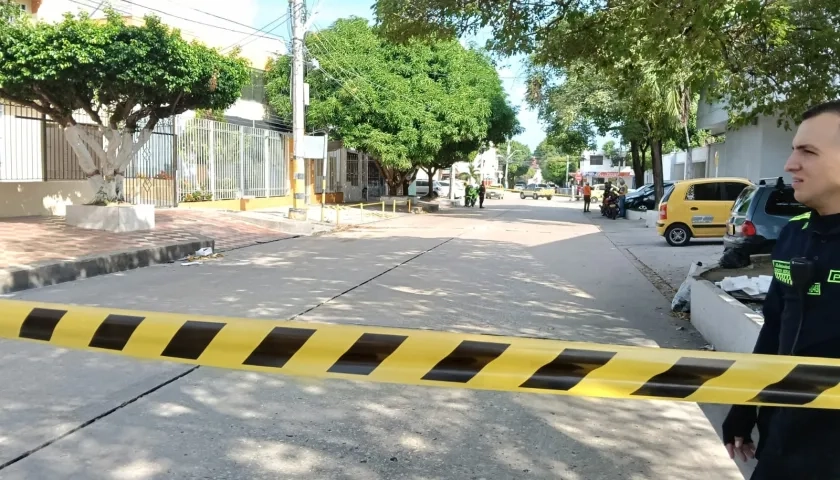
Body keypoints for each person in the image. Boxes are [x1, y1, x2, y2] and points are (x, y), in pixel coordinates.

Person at [722, 100, 840, 479]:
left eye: (808, 151)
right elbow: (774, 327)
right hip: (781, 442)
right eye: (793, 150)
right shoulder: (793, 234)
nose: (790, 164)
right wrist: (745, 405)